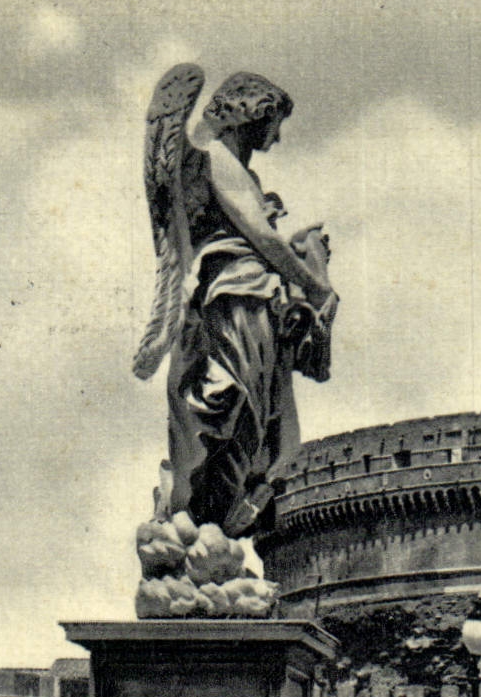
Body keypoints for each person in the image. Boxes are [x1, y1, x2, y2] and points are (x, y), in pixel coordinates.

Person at [134, 66, 338, 538]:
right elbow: (263, 238)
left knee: (256, 420)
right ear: (252, 114)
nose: (279, 137)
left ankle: (216, 519)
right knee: (233, 407)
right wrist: (315, 284)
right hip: (235, 302)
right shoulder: (216, 160)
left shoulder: (239, 169)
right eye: (275, 124)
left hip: (254, 304)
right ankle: (204, 514)